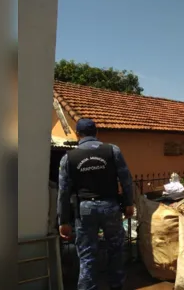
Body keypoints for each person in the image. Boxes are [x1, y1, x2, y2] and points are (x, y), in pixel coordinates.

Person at [57, 118, 134, 290]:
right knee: (115, 251)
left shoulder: (68, 158)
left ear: (78, 134)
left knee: (87, 256)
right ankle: (116, 286)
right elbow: (126, 179)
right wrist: (129, 203)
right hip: (111, 207)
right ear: (97, 133)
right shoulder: (112, 150)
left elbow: (63, 192)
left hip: (85, 210)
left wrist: (63, 220)